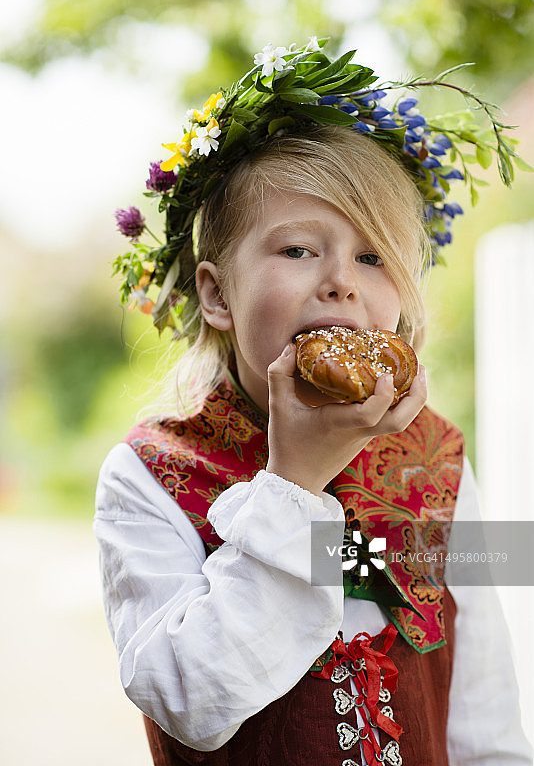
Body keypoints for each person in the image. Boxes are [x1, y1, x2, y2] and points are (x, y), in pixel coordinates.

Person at [95, 39, 532, 765]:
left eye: (373, 257)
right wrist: (295, 484)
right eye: (299, 250)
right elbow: (190, 702)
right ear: (215, 293)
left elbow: (485, 719)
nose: (340, 282)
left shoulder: (437, 467)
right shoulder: (153, 476)